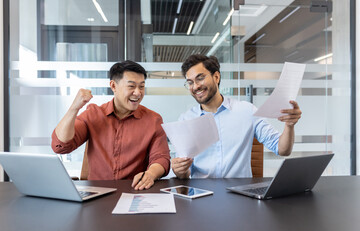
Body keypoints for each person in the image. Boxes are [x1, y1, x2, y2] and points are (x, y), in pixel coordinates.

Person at [171, 54, 302, 179]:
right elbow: (185, 173)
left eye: (200, 78)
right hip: (201, 195)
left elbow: (282, 149)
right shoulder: (186, 120)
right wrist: (179, 171)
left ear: (216, 77)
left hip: (238, 194)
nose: (195, 86)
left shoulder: (246, 111)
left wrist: (289, 126)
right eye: (190, 82)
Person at [51, 60, 170, 190]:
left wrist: (150, 174)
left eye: (141, 86)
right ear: (113, 86)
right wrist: (74, 108)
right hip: (97, 194)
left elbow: (161, 157)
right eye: (131, 86)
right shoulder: (93, 114)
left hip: (134, 191)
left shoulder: (153, 120)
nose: (138, 93)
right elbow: (61, 146)